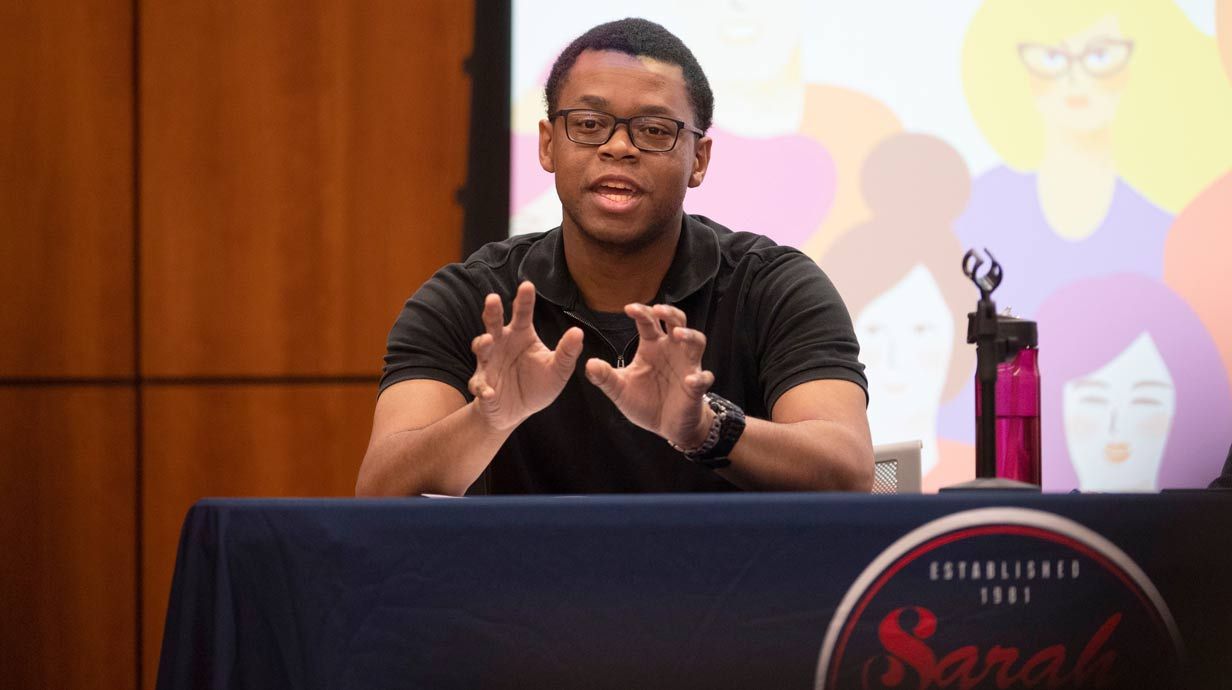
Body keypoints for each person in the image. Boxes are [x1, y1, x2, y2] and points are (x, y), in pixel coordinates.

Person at [355, 18, 873, 496]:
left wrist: (703, 428)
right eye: (588, 123)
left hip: (733, 590)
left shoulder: (773, 287)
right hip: (526, 592)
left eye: (653, 130)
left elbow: (846, 467)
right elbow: (379, 485)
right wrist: (489, 419)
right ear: (547, 145)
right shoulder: (471, 298)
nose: (619, 147)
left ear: (699, 159)